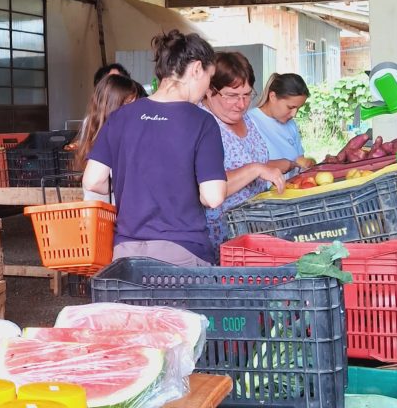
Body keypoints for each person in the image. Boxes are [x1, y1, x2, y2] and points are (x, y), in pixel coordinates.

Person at [82, 30, 227, 267]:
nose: (206, 91)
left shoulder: (121, 116)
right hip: (183, 253)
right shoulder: (202, 122)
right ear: (197, 69)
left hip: (126, 255)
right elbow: (213, 196)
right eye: (209, 79)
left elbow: (92, 181)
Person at [200, 52, 292, 253]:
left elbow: (257, 162)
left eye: (247, 94)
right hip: (220, 241)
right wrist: (255, 169)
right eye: (232, 96)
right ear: (209, 90)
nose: (241, 104)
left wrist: (288, 165)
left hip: (256, 232)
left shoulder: (243, 118)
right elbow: (204, 189)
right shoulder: (200, 124)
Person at [72, 74, 142, 200]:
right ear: (113, 105)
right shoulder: (114, 135)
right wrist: (120, 186)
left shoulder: (94, 130)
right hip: (108, 215)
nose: (134, 110)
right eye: (129, 104)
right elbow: (93, 182)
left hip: (95, 214)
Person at [247, 73, 315, 173]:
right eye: (290, 107)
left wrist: (308, 164)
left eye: (298, 108)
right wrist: (274, 165)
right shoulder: (249, 122)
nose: (294, 114)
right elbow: (241, 166)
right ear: (273, 97)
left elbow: (300, 162)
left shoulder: (291, 125)